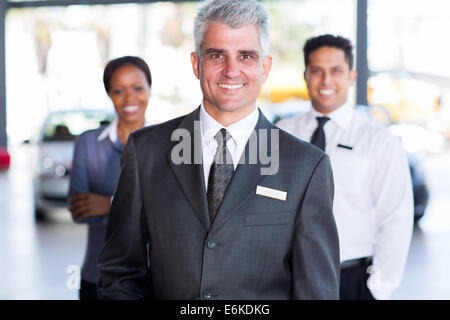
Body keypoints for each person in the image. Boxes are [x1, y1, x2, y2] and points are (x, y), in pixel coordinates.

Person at [98, 0, 339, 300]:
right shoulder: (145, 152)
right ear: (196, 64)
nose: (231, 70)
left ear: (264, 68)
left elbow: (316, 292)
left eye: (246, 56)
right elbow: (119, 273)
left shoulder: (306, 166)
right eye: (216, 55)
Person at [277, 34, 413, 300]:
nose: (326, 81)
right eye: (317, 71)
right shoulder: (281, 135)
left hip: (350, 280)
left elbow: (396, 217)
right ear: (305, 75)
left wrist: (377, 288)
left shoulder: (379, 141)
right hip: (287, 279)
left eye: (336, 71)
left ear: (351, 76)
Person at [68, 56, 152, 300]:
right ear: (109, 94)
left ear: (149, 89)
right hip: (97, 277)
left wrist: (110, 203)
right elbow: (79, 209)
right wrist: (144, 208)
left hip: (153, 278)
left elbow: (171, 214)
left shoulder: (167, 144)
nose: (129, 99)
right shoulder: (88, 143)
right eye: (118, 90)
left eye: (137, 88)